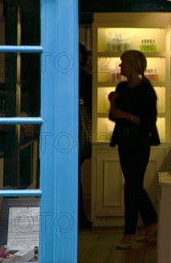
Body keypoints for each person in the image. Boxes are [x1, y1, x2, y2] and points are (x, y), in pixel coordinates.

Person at [108, 50, 159, 249]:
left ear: (133, 66)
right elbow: (113, 117)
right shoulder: (122, 87)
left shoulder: (146, 90)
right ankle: (152, 222)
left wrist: (125, 115)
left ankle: (128, 233)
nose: (120, 67)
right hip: (124, 142)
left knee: (132, 186)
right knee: (134, 184)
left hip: (139, 143)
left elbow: (148, 121)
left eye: (123, 63)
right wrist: (112, 104)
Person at [78, 43, 93, 229]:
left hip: (79, 127)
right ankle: (80, 218)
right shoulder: (86, 78)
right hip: (79, 127)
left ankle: (79, 217)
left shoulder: (86, 78)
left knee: (74, 174)